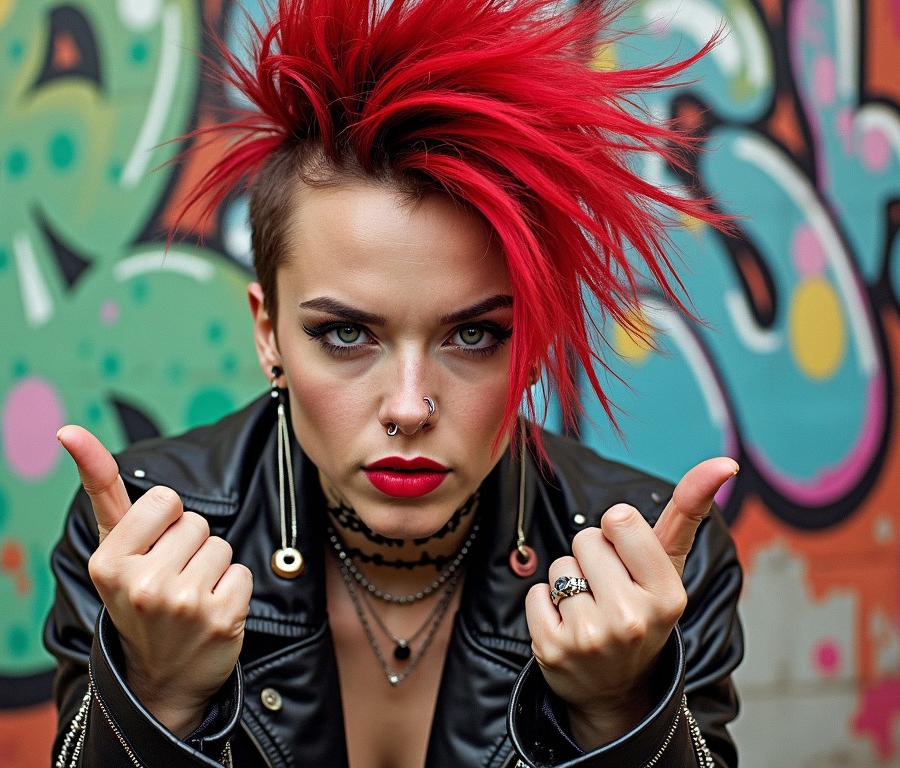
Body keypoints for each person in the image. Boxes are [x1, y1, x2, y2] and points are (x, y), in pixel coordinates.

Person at [44, 0, 743, 766]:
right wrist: (159, 694)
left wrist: (619, 713)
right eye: (346, 334)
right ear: (268, 332)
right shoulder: (143, 548)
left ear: (534, 340)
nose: (410, 407)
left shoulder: (654, 571)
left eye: (473, 334)